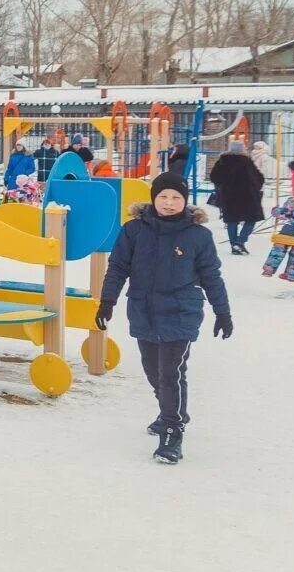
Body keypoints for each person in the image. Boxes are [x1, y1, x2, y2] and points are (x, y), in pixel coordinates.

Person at [97, 172, 231, 465]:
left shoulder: (198, 236)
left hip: (181, 312)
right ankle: (175, 410)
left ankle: (172, 431)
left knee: (170, 372)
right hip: (143, 309)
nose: (169, 203)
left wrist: (223, 311)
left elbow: (211, 275)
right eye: (163, 197)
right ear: (153, 198)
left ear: (185, 201)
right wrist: (107, 301)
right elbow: (118, 267)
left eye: (176, 198)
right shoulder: (133, 230)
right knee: (152, 370)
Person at [207, 141, 264, 255]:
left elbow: (214, 177)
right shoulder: (246, 161)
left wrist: (222, 186)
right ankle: (240, 242)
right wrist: (256, 188)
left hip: (229, 195)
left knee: (232, 220)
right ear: (242, 149)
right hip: (247, 196)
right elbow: (258, 177)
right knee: (251, 218)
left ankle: (235, 246)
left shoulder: (222, 161)